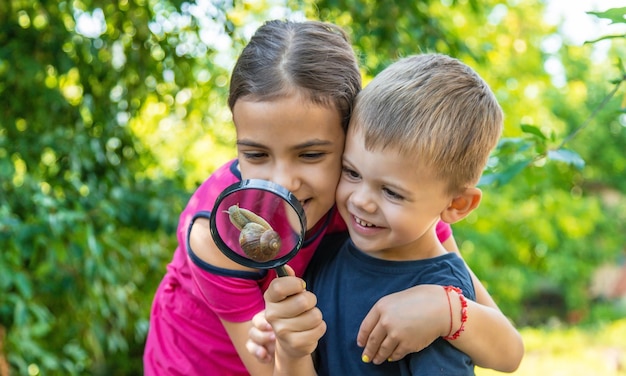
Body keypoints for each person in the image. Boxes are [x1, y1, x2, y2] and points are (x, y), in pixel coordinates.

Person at [143, 19, 523, 376]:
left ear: (352, 137)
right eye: (256, 154)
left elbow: (505, 347)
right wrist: (291, 348)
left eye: (310, 155)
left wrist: (447, 308)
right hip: (199, 361)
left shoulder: (369, 199)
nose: (283, 183)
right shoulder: (218, 235)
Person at [263, 53, 523, 375]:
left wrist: (446, 312)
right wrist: (290, 350)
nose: (361, 201)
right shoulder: (328, 255)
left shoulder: (436, 297)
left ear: (456, 205)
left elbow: (510, 354)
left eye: (392, 192)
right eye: (352, 172)